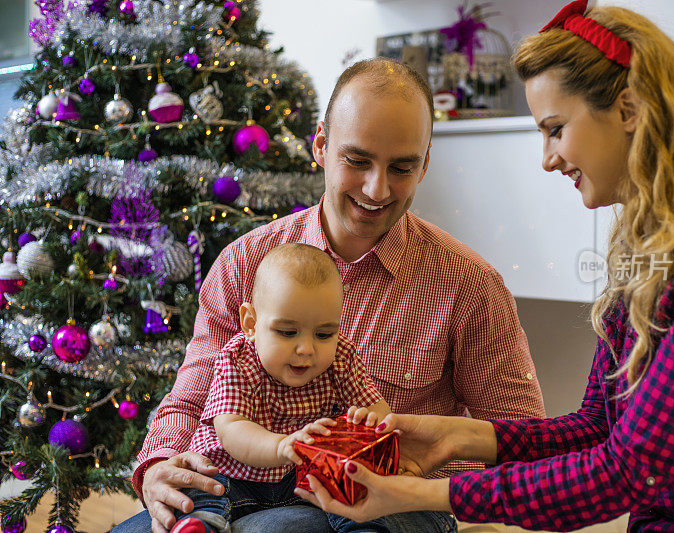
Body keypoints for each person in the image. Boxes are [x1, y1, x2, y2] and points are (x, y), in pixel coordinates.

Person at [294, 1, 674, 531]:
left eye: (555, 128)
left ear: (628, 110)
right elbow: (598, 427)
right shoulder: (659, 249)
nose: (548, 157)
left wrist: (425, 493)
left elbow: (625, 471)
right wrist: (458, 436)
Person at [115, 58, 545, 533]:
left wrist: (424, 476)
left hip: (394, 503)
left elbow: (522, 440)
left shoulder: (469, 286)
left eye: (401, 167)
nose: (376, 189)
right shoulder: (244, 263)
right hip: (238, 488)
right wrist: (158, 467)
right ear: (320, 145)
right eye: (357, 161)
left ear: (424, 165)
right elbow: (189, 400)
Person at [169, 243, 393, 533]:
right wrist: (281, 446)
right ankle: (203, 524)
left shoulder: (341, 357)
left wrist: (371, 423)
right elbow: (232, 430)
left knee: (354, 480)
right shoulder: (238, 359)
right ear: (251, 323)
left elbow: (375, 408)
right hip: (233, 477)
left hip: (304, 480)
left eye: (324, 334)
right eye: (287, 332)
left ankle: (364, 529)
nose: (306, 349)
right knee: (202, 489)